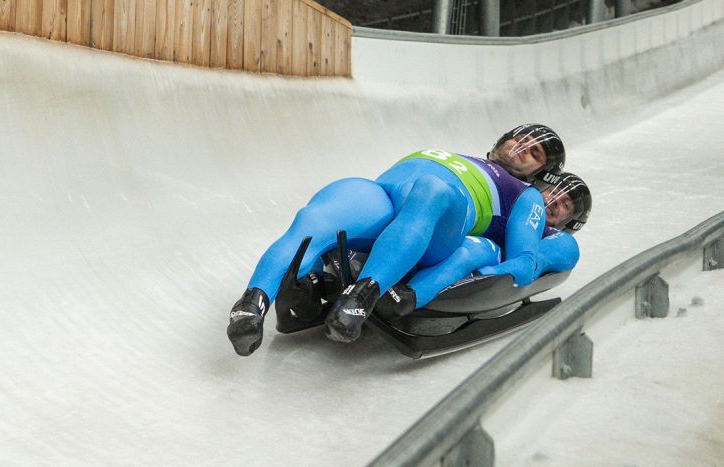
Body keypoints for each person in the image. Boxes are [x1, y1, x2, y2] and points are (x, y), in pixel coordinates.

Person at [228, 124, 566, 356]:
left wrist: (484, 262)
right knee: (332, 204)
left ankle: (362, 294)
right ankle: (253, 302)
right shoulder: (466, 158)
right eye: (518, 140)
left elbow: (523, 257)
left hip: (442, 224)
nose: (520, 149)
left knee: (433, 189)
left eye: (533, 153)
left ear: (540, 173)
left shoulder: (527, 196)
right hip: (386, 197)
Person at [376, 172, 592, 317]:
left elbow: (558, 252)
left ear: (570, 221)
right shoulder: (519, 198)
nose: (554, 202)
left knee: (469, 252)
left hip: (493, 253)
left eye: (565, 205)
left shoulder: (557, 238)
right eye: (553, 192)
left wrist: (495, 273)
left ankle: (407, 297)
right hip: (451, 238)